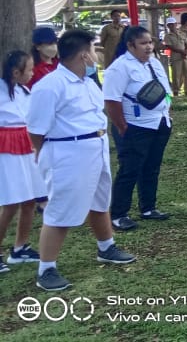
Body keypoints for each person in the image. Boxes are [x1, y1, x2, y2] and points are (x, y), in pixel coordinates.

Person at [27, 29, 136, 291]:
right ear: (84, 55)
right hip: (67, 152)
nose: (96, 56)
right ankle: (46, 268)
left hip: (95, 147)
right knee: (61, 209)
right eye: (93, 51)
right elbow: (36, 130)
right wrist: (47, 154)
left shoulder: (87, 82)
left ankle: (106, 246)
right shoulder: (50, 86)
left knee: (100, 201)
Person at [102, 26, 174, 231]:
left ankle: (148, 207)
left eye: (150, 42)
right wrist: (122, 126)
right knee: (129, 170)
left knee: (151, 167)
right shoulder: (120, 67)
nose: (149, 46)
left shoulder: (154, 63)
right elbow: (112, 101)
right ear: (130, 45)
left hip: (159, 123)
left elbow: (166, 91)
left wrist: (166, 111)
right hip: (135, 126)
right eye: (143, 43)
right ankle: (119, 214)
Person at [0, 51, 45, 273]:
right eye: (29, 69)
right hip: (7, 146)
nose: (32, 73)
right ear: (16, 72)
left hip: (26, 144)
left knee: (29, 200)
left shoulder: (23, 91)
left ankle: (20, 248)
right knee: (11, 203)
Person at [164, 16, 187, 96]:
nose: (171, 26)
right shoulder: (168, 36)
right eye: (169, 24)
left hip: (184, 56)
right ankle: (176, 90)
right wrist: (181, 51)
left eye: (173, 24)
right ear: (167, 26)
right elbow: (170, 46)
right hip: (176, 56)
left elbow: (186, 43)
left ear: (176, 24)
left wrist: (186, 50)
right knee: (176, 74)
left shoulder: (181, 33)